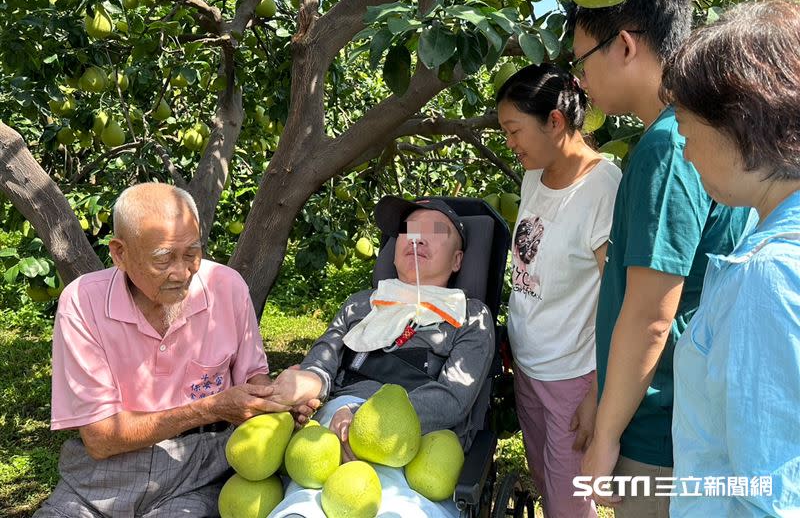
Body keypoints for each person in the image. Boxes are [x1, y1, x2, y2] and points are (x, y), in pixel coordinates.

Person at [569, 0, 751, 517]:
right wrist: (602, 389)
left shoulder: (669, 149)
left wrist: (605, 438)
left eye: (582, 61)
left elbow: (652, 314)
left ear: (624, 44)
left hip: (657, 432)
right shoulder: (690, 137)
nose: (579, 81)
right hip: (674, 409)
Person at [34, 183, 312, 518]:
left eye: (192, 254)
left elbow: (253, 375)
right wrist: (212, 407)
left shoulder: (228, 287)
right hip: (99, 479)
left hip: (200, 470)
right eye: (163, 258)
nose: (181, 273)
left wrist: (276, 401)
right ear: (119, 253)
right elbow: (101, 438)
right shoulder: (82, 302)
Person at [267, 196, 496, 518]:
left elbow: (453, 398)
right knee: (303, 505)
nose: (417, 238)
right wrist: (308, 381)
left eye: (435, 232)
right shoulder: (360, 305)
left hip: (419, 438)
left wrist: (367, 422)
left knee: (394, 504)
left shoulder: (471, 316)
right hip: (333, 426)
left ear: (457, 260)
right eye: (408, 231)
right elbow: (322, 361)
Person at [660, 0, 800, 516]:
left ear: (741, 124)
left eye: (688, 130)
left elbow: (770, 498)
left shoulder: (769, 276)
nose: (686, 150)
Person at [496, 63, 621, 518]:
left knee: (570, 504)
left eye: (514, 130)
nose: (509, 144)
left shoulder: (603, 188)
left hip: (573, 375)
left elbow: (619, 298)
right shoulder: (535, 173)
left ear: (555, 121)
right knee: (547, 481)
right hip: (529, 365)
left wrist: (599, 395)